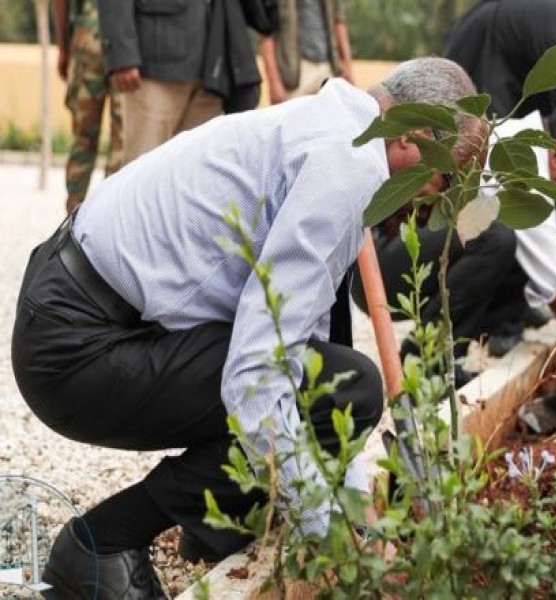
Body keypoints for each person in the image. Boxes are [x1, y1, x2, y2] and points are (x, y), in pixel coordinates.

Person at [12, 57, 481, 598]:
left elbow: (315, 345)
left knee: (336, 383)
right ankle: (101, 541)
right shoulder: (346, 167)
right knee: (336, 387)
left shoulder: (336, 131)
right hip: (76, 347)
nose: (429, 203)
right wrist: (337, 542)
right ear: (417, 136)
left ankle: (213, 525)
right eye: (442, 180)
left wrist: (359, 517)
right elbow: (256, 380)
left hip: (74, 311)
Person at [352, 99, 556, 407]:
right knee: (496, 238)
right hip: (379, 262)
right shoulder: (521, 162)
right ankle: (428, 363)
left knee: (519, 248)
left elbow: (554, 271)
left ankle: (498, 328)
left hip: (402, 256)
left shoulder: (532, 148)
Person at [97, 0, 259, 164]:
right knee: (144, 166)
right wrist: (122, 53)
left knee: (196, 170)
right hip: (155, 62)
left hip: (212, 62)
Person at [52, 0, 123, 214]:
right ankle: (111, 216)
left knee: (83, 138)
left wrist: (63, 46)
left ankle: (73, 220)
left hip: (87, 41)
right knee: (123, 141)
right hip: (126, 45)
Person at [260, 0, 355, 104]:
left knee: (331, 119)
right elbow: (266, 34)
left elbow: (339, 21)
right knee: (294, 120)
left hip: (329, 69)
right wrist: (274, 83)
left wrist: (347, 66)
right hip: (294, 74)